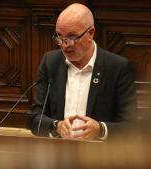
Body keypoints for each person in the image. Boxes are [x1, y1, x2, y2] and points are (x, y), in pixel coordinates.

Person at [29, 3, 136, 140]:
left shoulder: (117, 68)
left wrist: (100, 129)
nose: (64, 45)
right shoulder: (50, 62)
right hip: (58, 154)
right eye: (59, 37)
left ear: (91, 33)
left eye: (72, 37)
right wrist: (56, 127)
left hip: (98, 157)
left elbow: (130, 128)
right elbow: (34, 119)